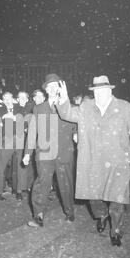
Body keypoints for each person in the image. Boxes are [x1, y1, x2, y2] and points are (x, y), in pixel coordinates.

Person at [56, 75, 130, 247]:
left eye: (102, 90)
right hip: (93, 162)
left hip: (117, 161)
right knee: (94, 197)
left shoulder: (125, 107)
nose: (99, 94)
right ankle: (101, 215)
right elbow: (67, 113)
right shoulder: (85, 107)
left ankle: (116, 231)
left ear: (110, 90)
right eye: (96, 91)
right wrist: (63, 98)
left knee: (117, 199)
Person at [23, 74, 76, 227]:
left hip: (64, 152)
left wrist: (76, 133)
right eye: (49, 86)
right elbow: (33, 131)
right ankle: (38, 214)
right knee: (42, 182)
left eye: (55, 86)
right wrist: (27, 153)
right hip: (44, 152)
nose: (52, 89)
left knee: (65, 183)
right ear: (45, 90)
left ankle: (69, 211)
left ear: (60, 89)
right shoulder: (38, 108)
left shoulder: (68, 106)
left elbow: (76, 125)